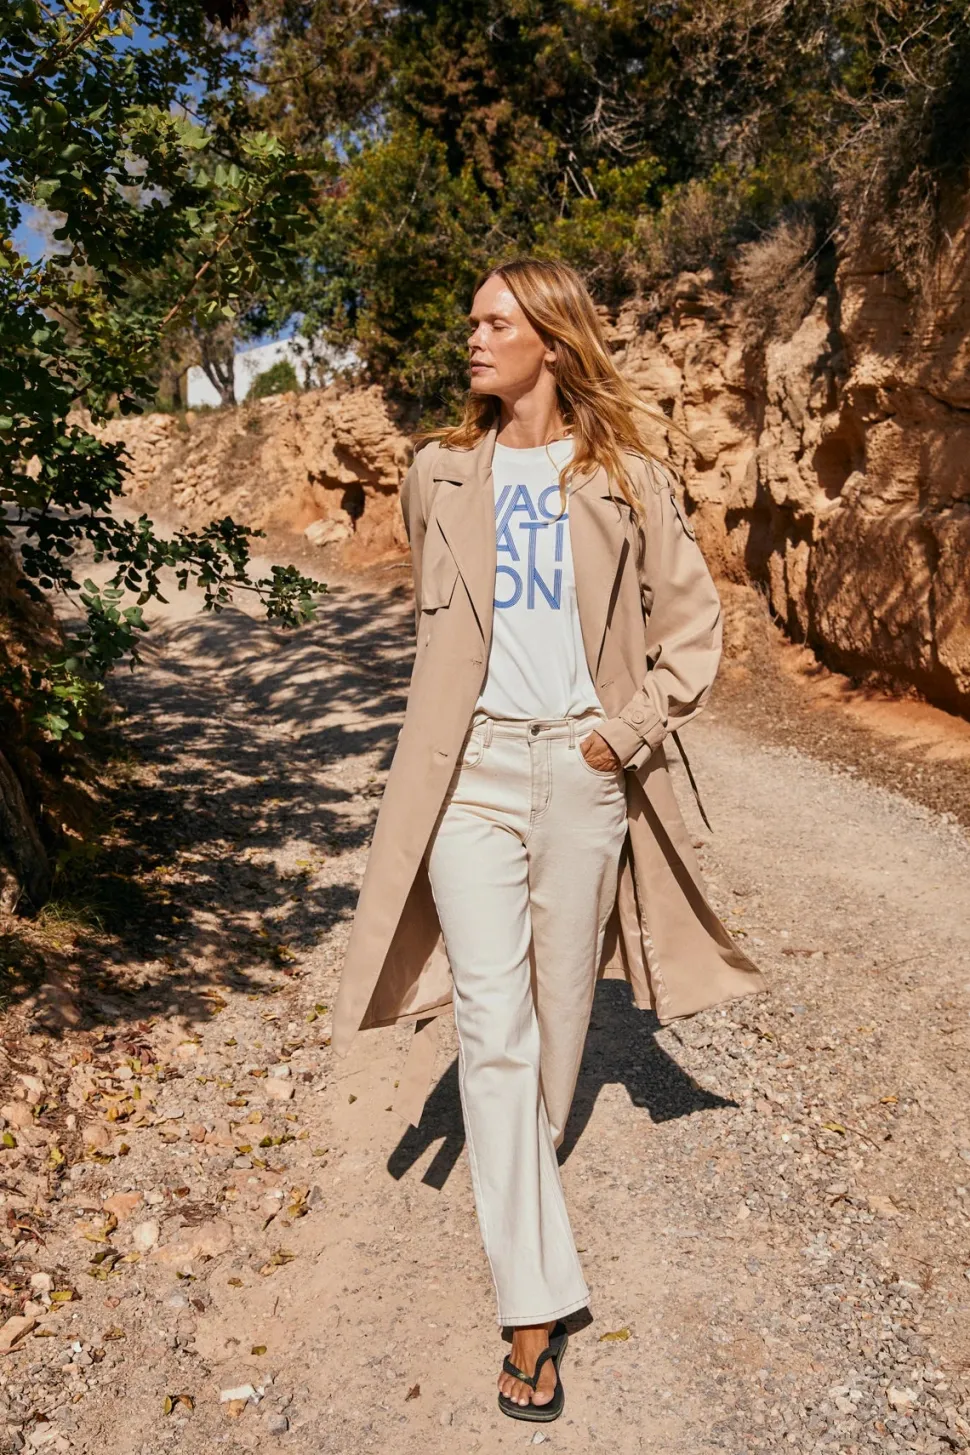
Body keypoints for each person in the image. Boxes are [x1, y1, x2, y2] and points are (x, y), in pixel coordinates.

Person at [331, 257, 765, 1422]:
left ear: (553, 344)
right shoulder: (437, 473)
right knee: (492, 1024)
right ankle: (533, 1306)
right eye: (471, 320)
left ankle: (519, 1195)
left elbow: (692, 629)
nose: (472, 339)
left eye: (495, 322)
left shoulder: (626, 479)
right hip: (467, 777)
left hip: (580, 772)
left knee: (559, 1018)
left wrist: (622, 736)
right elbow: (438, 627)